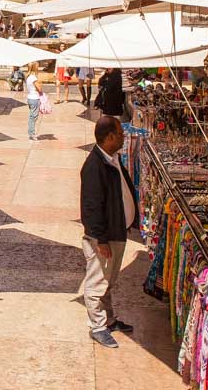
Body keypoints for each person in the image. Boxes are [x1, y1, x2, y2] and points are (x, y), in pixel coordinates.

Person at [79, 115, 137, 348]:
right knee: (97, 282)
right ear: (110, 137)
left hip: (116, 231)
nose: (124, 138)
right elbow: (91, 207)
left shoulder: (111, 159)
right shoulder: (94, 166)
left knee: (108, 280)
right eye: (121, 134)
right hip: (104, 237)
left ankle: (109, 319)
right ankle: (97, 326)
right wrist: (100, 239)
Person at [25, 63, 44, 140]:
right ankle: (32, 134)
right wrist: (40, 84)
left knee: (31, 116)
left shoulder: (28, 77)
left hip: (30, 98)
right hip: (34, 98)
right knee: (33, 117)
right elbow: (40, 89)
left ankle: (31, 133)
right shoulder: (33, 78)